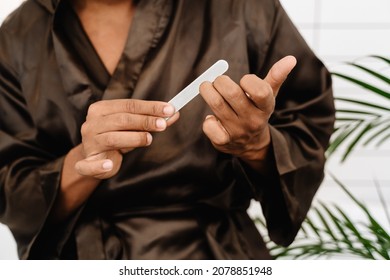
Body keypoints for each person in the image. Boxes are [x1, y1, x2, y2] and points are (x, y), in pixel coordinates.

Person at [0, 0, 335, 260]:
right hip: (83, 256)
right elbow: (10, 187)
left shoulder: (241, 7)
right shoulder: (17, 37)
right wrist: (82, 163)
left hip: (217, 252)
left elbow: (308, 122)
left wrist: (256, 144)